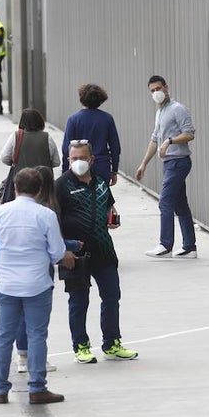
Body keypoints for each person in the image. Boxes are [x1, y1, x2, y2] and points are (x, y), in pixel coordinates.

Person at [0, 169, 69, 406]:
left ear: (15, 188)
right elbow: (57, 252)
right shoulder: (45, 215)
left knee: (4, 335)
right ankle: (37, 387)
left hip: (7, 284)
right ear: (39, 190)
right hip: (37, 283)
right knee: (37, 334)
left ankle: (0, 388)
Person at [56, 141, 139, 364]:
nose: (78, 162)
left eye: (82, 158)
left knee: (112, 296)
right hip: (75, 255)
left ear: (92, 160)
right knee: (78, 301)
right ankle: (80, 346)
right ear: (68, 160)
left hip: (104, 250)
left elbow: (110, 207)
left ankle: (112, 343)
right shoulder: (61, 185)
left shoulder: (101, 182)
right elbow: (51, 222)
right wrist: (63, 249)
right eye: (74, 159)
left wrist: (113, 218)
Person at [136, 75, 198, 259]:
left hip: (178, 162)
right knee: (180, 205)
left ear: (166, 88)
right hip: (169, 163)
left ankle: (165, 245)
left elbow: (189, 133)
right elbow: (155, 140)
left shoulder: (177, 109)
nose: (156, 93)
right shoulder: (160, 112)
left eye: (158, 89)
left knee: (165, 202)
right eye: (152, 90)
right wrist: (143, 164)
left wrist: (170, 141)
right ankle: (189, 247)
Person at [61, 84, 122, 184]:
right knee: (101, 197)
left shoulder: (73, 120)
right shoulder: (107, 119)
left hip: (79, 166)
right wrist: (114, 171)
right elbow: (115, 147)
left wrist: (65, 172)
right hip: (102, 166)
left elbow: (66, 148)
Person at [0, 108, 61, 195]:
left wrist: (16, 161)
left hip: (21, 182)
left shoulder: (16, 136)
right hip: (44, 184)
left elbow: (4, 157)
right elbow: (56, 162)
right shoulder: (47, 138)